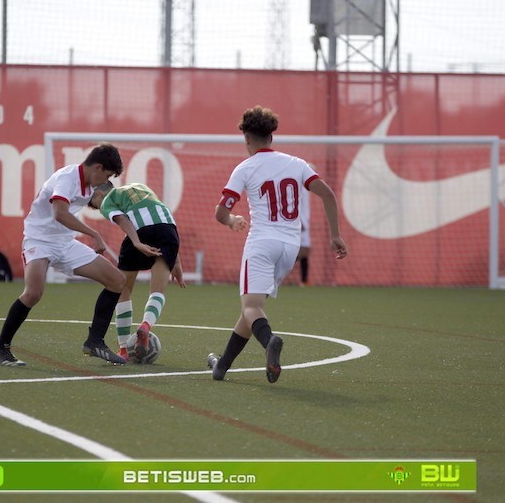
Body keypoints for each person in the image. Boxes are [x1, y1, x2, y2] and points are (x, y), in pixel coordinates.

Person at [208, 105, 347, 383]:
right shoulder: (297, 164)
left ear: (246, 138)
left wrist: (232, 219)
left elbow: (220, 212)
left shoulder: (245, 168)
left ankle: (270, 340)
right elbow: (328, 195)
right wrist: (335, 236)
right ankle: (222, 365)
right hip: (290, 248)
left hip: (262, 243)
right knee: (252, 309)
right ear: (271, 136)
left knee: (251, 308)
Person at [0, 143, 127, 366]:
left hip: (65, 242)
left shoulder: (90, 184)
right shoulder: (67, 177)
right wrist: (94, 234)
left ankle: (95, 341)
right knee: (33, 293)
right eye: (107, 175)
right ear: (97, 167)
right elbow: (60, 214)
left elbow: (96, 200)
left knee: (116, 280)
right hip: (39, 240)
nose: (106, 180)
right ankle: (1, 347)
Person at [88, 182, 185, 361]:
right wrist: (176, 262)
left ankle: (124, 349)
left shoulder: (108, 200)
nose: (98, 207)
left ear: (99, 193)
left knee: (122, 289)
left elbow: (124, 220)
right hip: (168, 227)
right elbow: (159, 219)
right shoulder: (140, 187)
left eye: (95, 203)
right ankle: (146, 325)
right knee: (158, 290)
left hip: (140, 232)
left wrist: (136, 242)